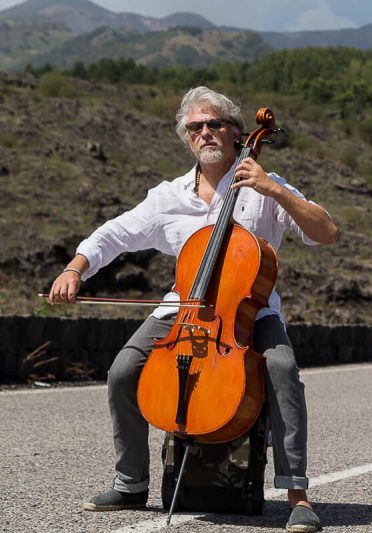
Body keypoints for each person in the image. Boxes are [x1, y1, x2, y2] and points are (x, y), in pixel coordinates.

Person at [47, 86, 337, 533]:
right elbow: (113, 234)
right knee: (124, 371)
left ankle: (297, 494)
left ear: (239, 134)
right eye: (195, 127)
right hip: (182, 309)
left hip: (250, 313)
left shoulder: (265, 186)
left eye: (214, 124)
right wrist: (75, 269)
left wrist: (274, 190)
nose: (205, 132)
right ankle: (130, 483)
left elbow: (324, 232)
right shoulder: (169, 196)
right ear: (186, 138)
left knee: (281, 368)